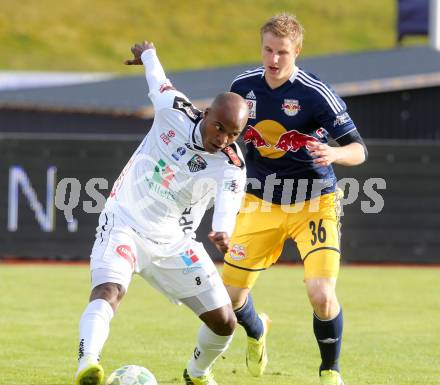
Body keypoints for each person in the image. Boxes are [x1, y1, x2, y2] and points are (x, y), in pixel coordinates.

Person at [74, 40, 248, 385]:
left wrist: (222, 231)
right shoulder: (173, 108)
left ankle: (197, 374)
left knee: (225, 321)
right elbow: (158, 78)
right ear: (206, 114)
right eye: (220, 128)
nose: (224, 139)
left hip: (173, 243)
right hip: (124, 220)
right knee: (110, 290)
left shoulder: (231, 165)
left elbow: (228, 203)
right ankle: (87, 365)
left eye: (233, 134)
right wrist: (148, 55)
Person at [222, 14, 368, 385]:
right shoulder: (243, 86)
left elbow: (358, 150)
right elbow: (225, 133)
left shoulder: (315, 93)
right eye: (268, 50)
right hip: (261, 201)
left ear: (297, 51)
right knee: (230, 298)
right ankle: (258, 331)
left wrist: (334, 155)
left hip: (313, 201)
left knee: (321, 293)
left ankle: (329, 370)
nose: (273, 60)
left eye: (282, 53)